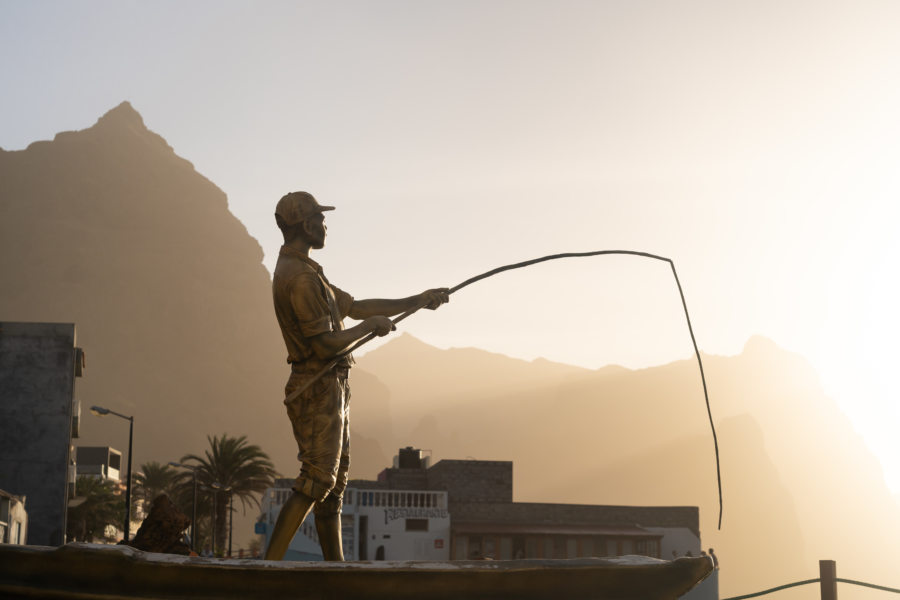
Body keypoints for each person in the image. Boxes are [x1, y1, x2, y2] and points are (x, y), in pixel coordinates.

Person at [264, 191, 448, 561]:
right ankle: (268, 567)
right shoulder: (298, 278)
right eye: (320, 218)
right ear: (304, 224)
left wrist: (418, 300)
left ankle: (336, 570)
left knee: (333, 489)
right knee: (317, 478)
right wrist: (367, 328)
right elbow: (324, 345)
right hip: (316, 386)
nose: (325, 225)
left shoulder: (309, 272)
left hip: (333, 387)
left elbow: (358, 306)